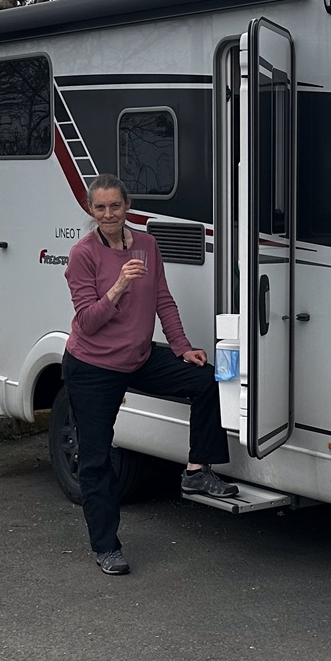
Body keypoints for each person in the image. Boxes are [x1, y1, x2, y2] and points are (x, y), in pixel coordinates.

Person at [62, 174, 238, 575]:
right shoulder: (83, 254)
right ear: (91, 210)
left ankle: (197, 471)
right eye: (100, 207)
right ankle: (107, 547)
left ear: (128, 206)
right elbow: (87, 321)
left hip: (138, 357)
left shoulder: (146, 244)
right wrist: (119, 286)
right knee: (96, 460)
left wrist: (182, 347)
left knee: (205, 380)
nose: (108, 214)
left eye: (115, 206)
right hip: (92, 367)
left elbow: (163, 300)